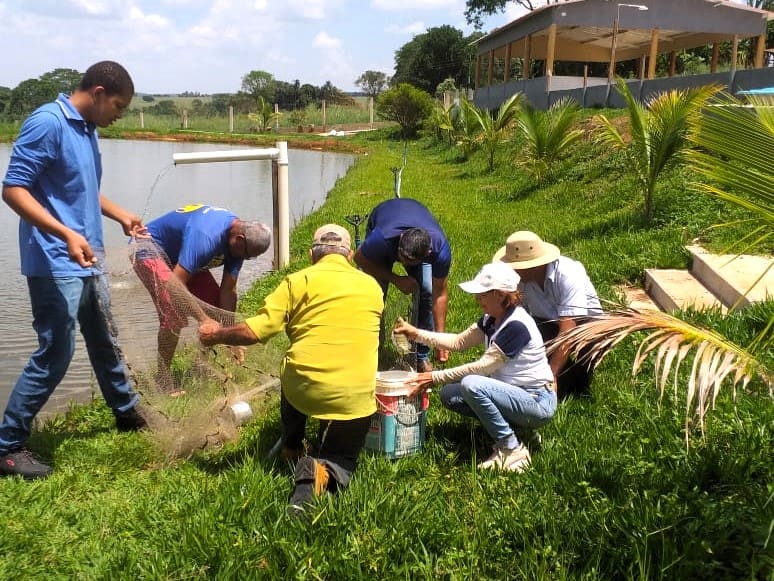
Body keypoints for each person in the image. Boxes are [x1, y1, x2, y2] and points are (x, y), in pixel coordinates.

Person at [0, 61, 146, 480]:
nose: (118, 116)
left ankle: (125, 411)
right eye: (117, 106)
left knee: (104, 337)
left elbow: (78, 188)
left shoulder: (87, 128)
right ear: (98, 93)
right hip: (53, 259)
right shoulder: (47, 123)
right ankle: (7, 444)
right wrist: (65, 233)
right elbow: (13, 189)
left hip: (87, 256)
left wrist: (119, 214)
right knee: (56, 352)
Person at [198, 224, 383, 515]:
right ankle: (326, 467)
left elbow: (254, 332)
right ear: (350, 257)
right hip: (356, 396)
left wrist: (215, 335)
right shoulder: (372, 286)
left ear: (312, 255)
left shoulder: (296, 281)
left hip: (304, 389)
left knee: (293, 370)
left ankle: (293, 446)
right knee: (343, 458)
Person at [394, 262, 556, 472]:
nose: (477, 298)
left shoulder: (516, 326)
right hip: (516, 395)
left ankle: (512, 449)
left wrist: (432, 377)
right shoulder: (492, 319)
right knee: (450, 394)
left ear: (499, 295)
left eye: (482, 293)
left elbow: (482, 368)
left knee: (472, 385)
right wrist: (415, 333)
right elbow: (458, 342)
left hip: (537, 402)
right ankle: (519, 430)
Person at [132, 204, 271, 385]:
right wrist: (203, 318)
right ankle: (163, 378)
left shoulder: (238, 243)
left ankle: (201, 364)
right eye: (248, 255)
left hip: (182, 258)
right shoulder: (206, 237)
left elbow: (228, 290)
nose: (247, 259)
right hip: (149, 249)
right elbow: (175, 285)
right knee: (174, 313)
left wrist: (231, 337)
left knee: (215, 308)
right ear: (239, 239)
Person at [493, 231, 603, 400]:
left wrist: (550, 376)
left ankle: (578, 377)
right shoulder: (519, 281)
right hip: (546, 322)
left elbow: (568, 331)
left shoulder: (568, 274)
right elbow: (513, 316)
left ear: (533, 265)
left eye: (516, 266)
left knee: (574, 377)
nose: (512, 270)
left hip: (585, 327)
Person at [353, 198, 451, 372]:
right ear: (401, 238)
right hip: (383, 216)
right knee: (375, 292)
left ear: (427, 254)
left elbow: (440, 294)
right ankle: (373, 350)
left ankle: (421, 356)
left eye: (408, 261)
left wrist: (441, 340)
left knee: (426, 291)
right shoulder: (381, 238)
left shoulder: (439, 249)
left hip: (415, 216)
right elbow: (359, 258)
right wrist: (396, 279)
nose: (403, 262)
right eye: (401, 256)